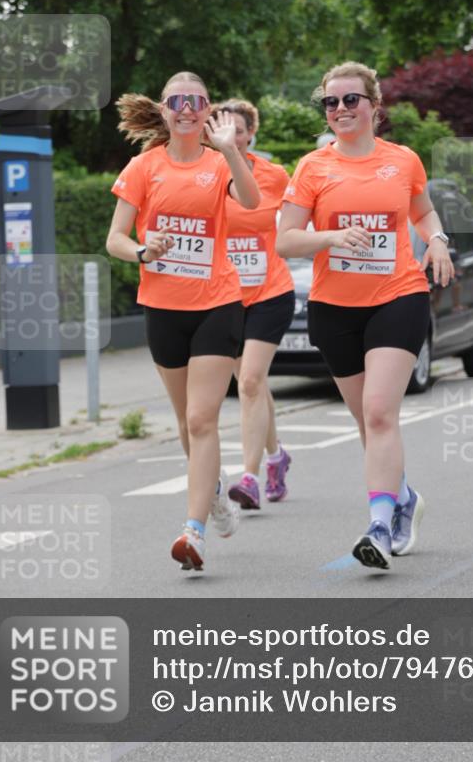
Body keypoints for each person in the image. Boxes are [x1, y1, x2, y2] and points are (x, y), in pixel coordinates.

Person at [276, 61, 454, 570]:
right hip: (335, 307)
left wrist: (437, 241)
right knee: (365, 420)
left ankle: (378, 525)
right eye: (330, 102)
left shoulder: (403, 161)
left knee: (379, 412)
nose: (339, 110)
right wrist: (329, 237)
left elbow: (423, 213)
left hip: (398, 296)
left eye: (350, 100)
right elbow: (285, 239)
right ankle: (403, 497)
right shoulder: (313, 167)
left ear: (374, 106)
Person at [106, 72, 260, 572]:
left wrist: (229, 149)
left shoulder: (219, 164)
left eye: (195, 101)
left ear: (207, 108)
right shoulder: (144, 166)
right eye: (177, 101)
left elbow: (253, 201)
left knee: (201, 418)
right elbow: (115, 239)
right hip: (163, 306)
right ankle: (212, 494)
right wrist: (143, 251)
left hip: (217, 303)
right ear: (165, 110)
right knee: (184, 421)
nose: (186, 108)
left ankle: (192, 531)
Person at [211, 100, 295, 509]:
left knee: (247, 383)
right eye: (224, 127)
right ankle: (277, 456)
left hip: (270, 292)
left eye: (239, 129)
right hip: (224, 296)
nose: (232, 135)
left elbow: (298, 220)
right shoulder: (204, 176)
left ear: (250, 134)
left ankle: (250, 477)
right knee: (253, 384)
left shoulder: (274, 176)